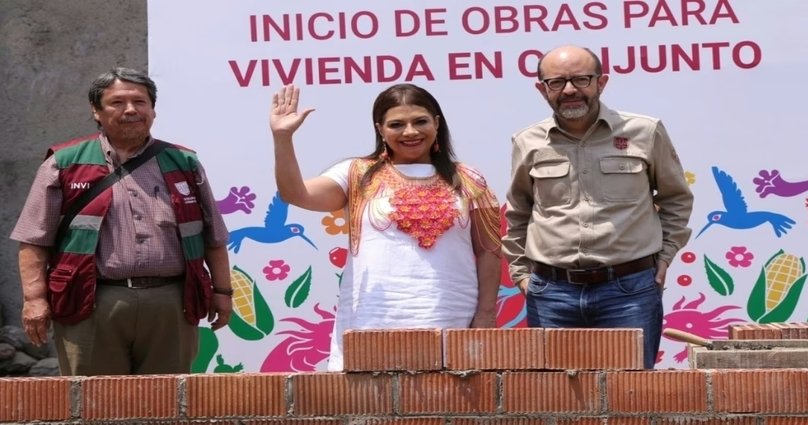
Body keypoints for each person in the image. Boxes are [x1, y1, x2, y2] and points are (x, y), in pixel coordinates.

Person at [10, 67, 233, 375]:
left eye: (140, 102)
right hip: (89, 303)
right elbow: (34, 240)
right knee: (94, 398)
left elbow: (213, 237)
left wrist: (222, 292)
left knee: (166, 398)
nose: (130, 110)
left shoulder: (184, 162)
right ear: (96, 111)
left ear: (153, 110)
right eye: (117, 102)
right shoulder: (64, 163)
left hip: (171, 303)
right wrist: (34, 299)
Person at [269, 83, 502, 371]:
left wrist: (486, 313)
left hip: (451, 317)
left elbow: (489, 250)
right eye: (396, 124)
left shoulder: (468, 178)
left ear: (436, 123)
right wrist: (282, 138)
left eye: (420, 121)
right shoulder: (357, 173)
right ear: (380, 129)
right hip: (373, 319)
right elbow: (296, 194)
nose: (410, 132)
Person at [503, 45, 693, 369]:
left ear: (601, 82)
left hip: (629, 291)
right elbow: (519, 212)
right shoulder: (528, 141)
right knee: (555, 392)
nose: (569, 90)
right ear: (542, 89)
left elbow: (676, 198)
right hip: (552, 294)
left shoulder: (644, 132)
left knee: (631, 390)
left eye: (581, 79)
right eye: (556, 82)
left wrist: (664, 257)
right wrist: (521, 275)